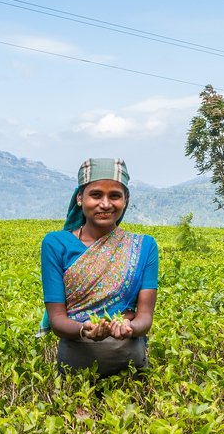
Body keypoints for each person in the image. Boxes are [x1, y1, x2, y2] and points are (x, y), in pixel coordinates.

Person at [39, 158, 158, 377]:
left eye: (115, 196)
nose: (105, 204)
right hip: (75, 369)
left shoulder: (144, 246)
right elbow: (57, 321)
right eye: (96, 195)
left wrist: (128, 327)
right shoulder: (55, 244)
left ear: (125, 200)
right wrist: (84, 329)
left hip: (130, 368)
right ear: (79, 198)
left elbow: (145, 318)